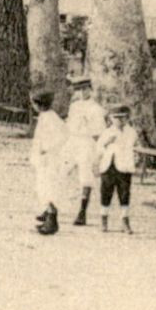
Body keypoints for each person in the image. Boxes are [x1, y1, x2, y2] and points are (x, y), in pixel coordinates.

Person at [65, 78, 108, 226]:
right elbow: (68, 126)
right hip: (72, 141)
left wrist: (98, 152)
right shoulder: (74, 106)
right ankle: (51, 208)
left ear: (91, 89)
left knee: (85, 175)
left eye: (85, 89)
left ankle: (82, 211)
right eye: (79, 89)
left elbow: (99, 133)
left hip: (87, 142)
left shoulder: (96, 109)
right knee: (60, 170)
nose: (82, 92)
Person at [95, 104, 139, 233]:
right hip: (109, 167)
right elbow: (99, 149)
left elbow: (134, 147)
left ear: (127, 118)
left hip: (124, 167)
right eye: (116, 118)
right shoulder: (107, 132)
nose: (119, 121)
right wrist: (107, 143)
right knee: (106, 193)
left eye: (123, 118)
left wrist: (135, 158)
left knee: (124, 194)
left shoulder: (131, 132)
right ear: (110, 118)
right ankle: (104, 220)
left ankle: (125, 221)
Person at [31, 91, 68, 235]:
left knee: (49, 187)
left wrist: (48, 148)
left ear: (39, 105)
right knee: (42, 187)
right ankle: (47, 214)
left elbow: (64, 135)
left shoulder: (51, 118)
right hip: (44, 159)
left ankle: (52, 221)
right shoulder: (45, 117)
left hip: (50, 158)